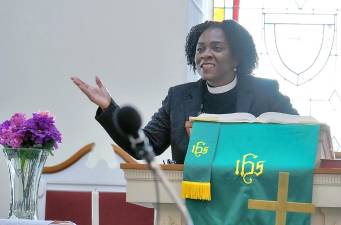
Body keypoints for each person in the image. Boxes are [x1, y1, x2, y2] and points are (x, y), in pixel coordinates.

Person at [71, 20, 297, 164]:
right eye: (200, 49)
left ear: (237, 57)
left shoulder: (265, 92)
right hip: (190, 200)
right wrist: (109, 108)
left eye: (216, 48)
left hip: (247, 197)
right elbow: (146, 147)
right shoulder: (179, 97)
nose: (205, 55)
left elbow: (297, 135)